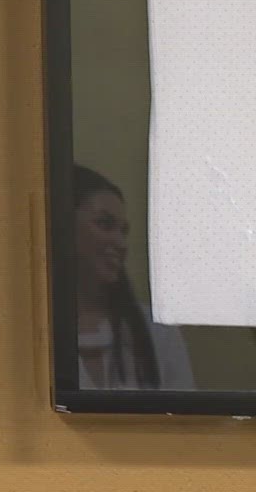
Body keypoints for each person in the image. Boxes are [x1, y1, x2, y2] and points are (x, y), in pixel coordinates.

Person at [72, 164, 194, 390]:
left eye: (123, 231)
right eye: (105, 224)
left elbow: (188, 421)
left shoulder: (158, 332)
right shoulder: (32, 330)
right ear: (62, 223)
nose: (121, 244)